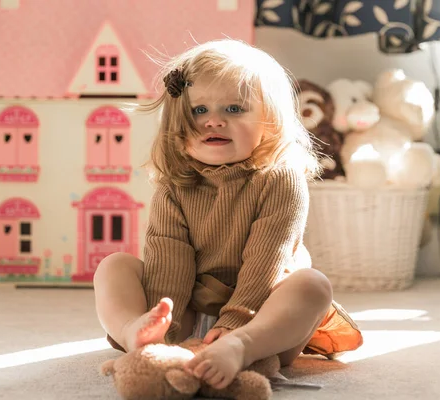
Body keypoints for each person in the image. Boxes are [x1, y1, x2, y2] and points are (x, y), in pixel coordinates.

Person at [93, 39, 362, 390]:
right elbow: (167, 254)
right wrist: (167, 326)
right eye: (199, 110)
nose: (214, 121)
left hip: (261, 314)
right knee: (114, 266)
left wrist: (236, 326)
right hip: (189, 306)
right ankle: (136, 335)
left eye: (234, 110)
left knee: (312, 285)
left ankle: (241, 349)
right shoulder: (174, 184)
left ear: (270, 122)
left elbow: (268, 258)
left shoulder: (280, 179)